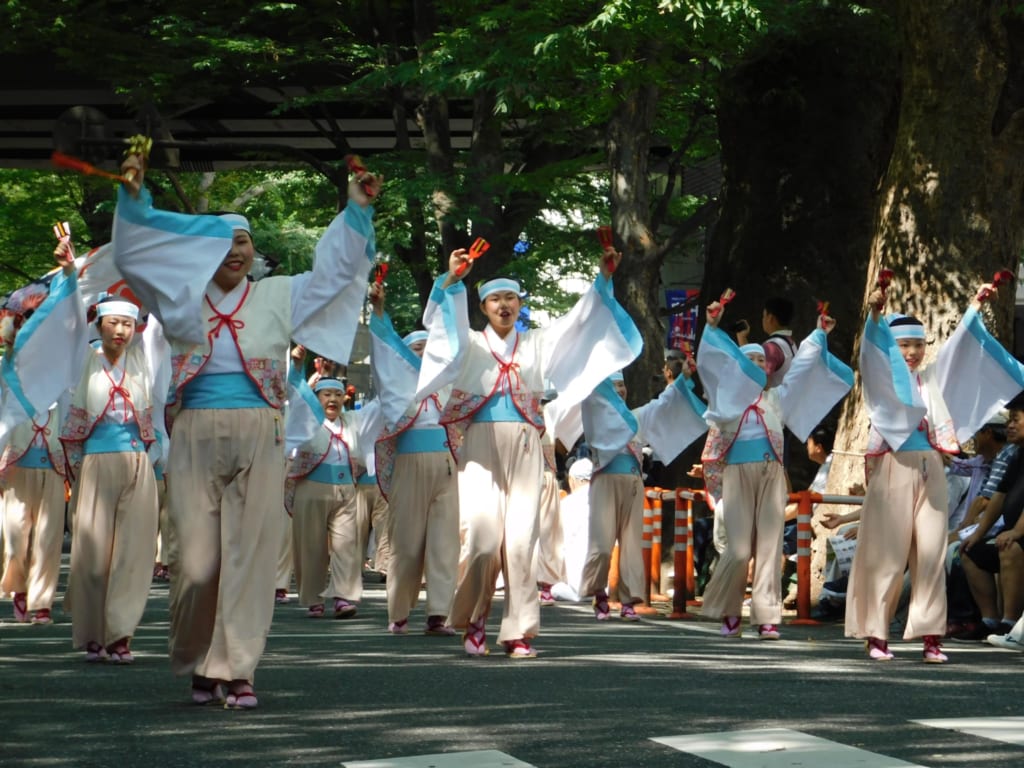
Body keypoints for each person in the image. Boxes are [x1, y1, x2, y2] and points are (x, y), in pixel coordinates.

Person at [113, 152, 381, 707]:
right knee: (197, 558)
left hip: (262, 428)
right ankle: (197, 657)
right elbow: (136, 262)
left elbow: (333, 274)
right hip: (193, 430)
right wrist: (134, 196)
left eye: (243, 242)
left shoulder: (278, 294)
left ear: (253, 252)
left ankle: (237, 667)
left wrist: (355, 209)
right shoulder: (179, 296)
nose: (236, 251)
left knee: (252, 552)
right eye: (224, 242)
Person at [413, 243, 642, 658]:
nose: (504, 305)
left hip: (525, 445)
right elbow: (439, 326)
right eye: (495, 299)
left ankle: (518, 630)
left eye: (511, 298)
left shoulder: (538, 342)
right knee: (483, 543)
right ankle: (476, 617)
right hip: (480, 448)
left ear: (521, 304)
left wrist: (603, 278)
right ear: (483, 306)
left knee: (521, 544)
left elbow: (581, 319)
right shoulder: (469, 344)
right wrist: (451, 280)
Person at [845, 277, 1024, 663]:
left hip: (931, 468)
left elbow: (959, 348)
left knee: (930, 552)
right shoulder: (883, 379)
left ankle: (930, 635)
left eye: (918, 345)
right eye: (904, 345)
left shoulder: (931, 379)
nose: (912, 352)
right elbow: (871, 355)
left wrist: (977, 306)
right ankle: (876, 634)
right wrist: (876, 312)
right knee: (888, 554)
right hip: (894, 466)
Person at [697, 296, 851, 640]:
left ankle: (767, 617)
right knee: (738, 549)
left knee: (768, 545)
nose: (757, 368)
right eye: (748, 362)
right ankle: (730, 610)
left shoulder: (778, 397)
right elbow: (712, 362)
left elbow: (802, 365)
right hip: (738, 474)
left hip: (771, 475)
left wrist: (819, 334)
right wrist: (711, 327)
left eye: (760, 363)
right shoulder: (725, 405)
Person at [61, 289, 159, 664]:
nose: (121, 330)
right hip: (97, 462)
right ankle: (92, 634)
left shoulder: (143, 361)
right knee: (93, 551)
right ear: (98, 324)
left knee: (134, 552)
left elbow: (164, 330)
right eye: (114, 323)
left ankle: (121, 633)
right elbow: (67, 324)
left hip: (137, 461)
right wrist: (71, 275)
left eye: (128, 324)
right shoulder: (82, 360)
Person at [572, 366, 708, 621]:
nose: (619, 391)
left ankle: (628, 599)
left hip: (634, 482)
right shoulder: (595, 418)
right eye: (612, 387)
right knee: (601, 545)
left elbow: (663, 403)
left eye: (621, 386)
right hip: (604, 482)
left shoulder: (635, 418)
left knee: (632, 543)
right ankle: (598, 592)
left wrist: (684, 379)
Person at [369, 290, 460, 634]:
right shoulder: (398, 384)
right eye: (415, 350)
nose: (422, 355)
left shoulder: (446, 383)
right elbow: (383, 351)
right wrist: (378, 310)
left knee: (444, 541)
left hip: (446, 463)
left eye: (427, 349)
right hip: (409, 460)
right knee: (405, 541)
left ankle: (439, 613)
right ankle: (399, 612)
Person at [285, 346, 383, 620]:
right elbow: (295, 390)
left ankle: (343, 596)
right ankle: (314, 598)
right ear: (316, 398)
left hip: (346, 491)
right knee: (311, 546)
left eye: (338, 395)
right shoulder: (307, 420)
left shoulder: (352, 420)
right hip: (311, 488)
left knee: (347, 545)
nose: (333, 399)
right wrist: (297, 365)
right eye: (327, 394)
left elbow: (380, 405)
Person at [957, 399, 1024, 638]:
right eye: (1009, 421)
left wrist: (1016, 531)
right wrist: (977, 534)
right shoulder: (1016, 455)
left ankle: (1010, 622)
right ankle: (990, 620)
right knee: (969, 551)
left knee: (1010, 547)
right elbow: (998, 497)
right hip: (1012, 529)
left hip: (1020, 534)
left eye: (1016, 420)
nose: (1010, 426)